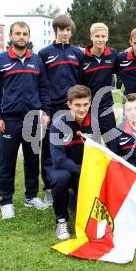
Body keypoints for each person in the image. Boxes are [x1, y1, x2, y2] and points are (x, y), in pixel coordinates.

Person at [0, 21, 50, 219]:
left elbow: (44, 89)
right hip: (9, 120)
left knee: (32, 160)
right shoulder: (0, 61)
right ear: (11, 36)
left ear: (29, 37)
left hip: (32, 119)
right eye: (18, 33)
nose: (21, 37)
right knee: (7, 162)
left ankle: (31, 197)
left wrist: (46, 112)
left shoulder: (37, 61)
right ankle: (6, 201)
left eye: (25, 34)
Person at [38, 15, 83, 206]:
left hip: (73, 108)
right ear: (56, 30)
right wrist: (45, 110)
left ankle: (74, 184)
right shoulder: (44, 53)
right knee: (50, 149)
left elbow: (81, 82)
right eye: (61, 30)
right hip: (53, 108)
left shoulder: (77, 53)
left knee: (74, 145)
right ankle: (49, 188)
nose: (65, 34)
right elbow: (42, 84)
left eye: (68, 30)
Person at [49, 85, 93, 240]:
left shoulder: (94, 122)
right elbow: (58, 159)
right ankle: (61, 220)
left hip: (85, 167)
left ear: (90, 102)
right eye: (77, 105)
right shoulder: (57, 124)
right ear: (69, 104)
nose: (82, 109)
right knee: (60, 179)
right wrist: (82, 171)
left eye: (85, 104)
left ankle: (80, 204)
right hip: (64, 167)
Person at [81, 22, 119, 150]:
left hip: (106, 108)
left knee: (114, 146)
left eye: (103, 36)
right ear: (91, 37)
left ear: (107, 37)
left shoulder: (113, 54)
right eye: (97, 36)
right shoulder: (82, 57)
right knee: (92, 148)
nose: (100, 39)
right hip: (88, 110)